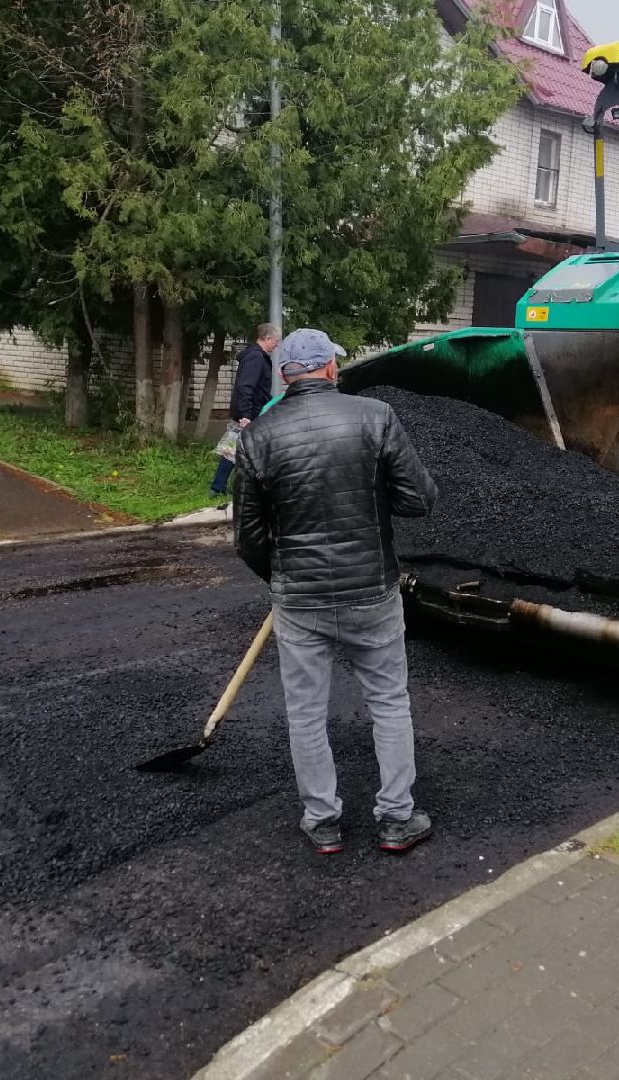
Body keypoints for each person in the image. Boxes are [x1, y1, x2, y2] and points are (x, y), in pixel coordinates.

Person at [233, 328, 439, 855]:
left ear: (285, 376)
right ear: (329, 368)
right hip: (372, 591)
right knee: (388, 702)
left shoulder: (256, 437)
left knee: (305, 712)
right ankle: (397, 818)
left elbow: (248, 539)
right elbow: (419, 500)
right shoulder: (376, 417)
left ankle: (322, 821)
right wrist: (374, 494)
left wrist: (282, 578)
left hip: (299, 602)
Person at [210, 323, 282, 499]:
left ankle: (220, 486)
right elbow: (245, 387)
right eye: (276, 341)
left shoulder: (256, 355)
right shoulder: (256, 357)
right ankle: (219, 488)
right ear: (268, 338)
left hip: (251, 410)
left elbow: (257, 388)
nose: (277, 345)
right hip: (249, 413)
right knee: (235, 449)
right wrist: (245, 415)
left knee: (235, 448)